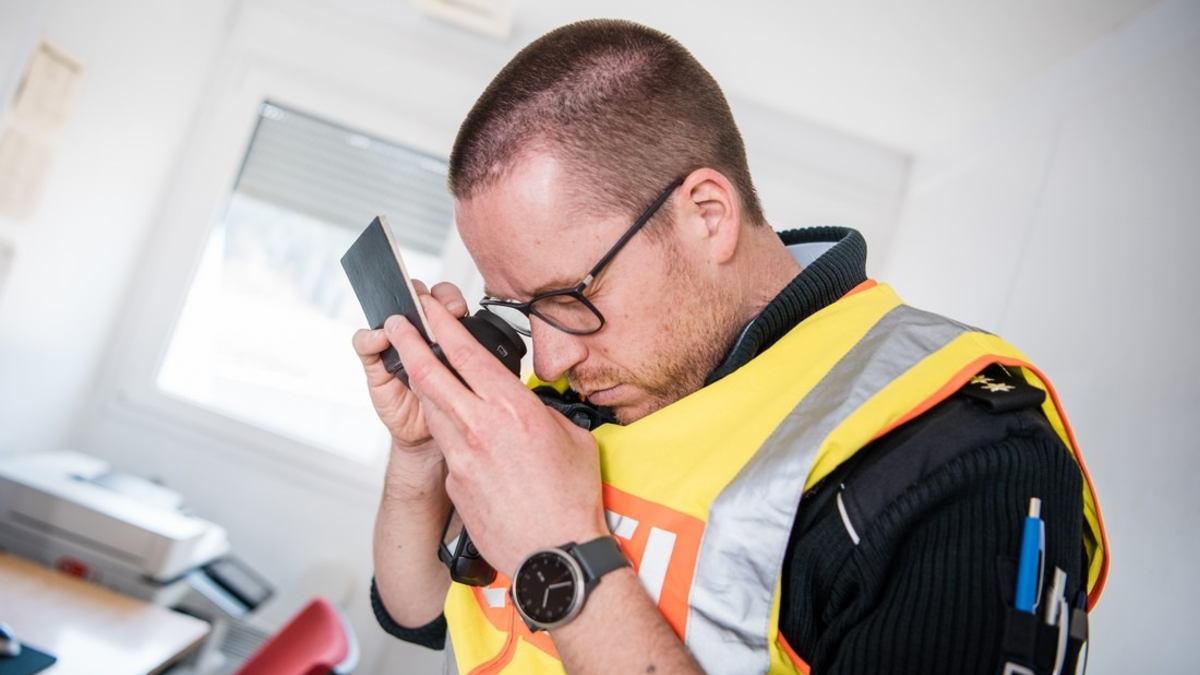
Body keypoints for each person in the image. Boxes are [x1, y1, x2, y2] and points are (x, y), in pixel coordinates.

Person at [352, 18, 1109, 674]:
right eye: (521, 310)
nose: (549, 362)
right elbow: (418, 611)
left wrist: (562, 551)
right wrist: (421, 456)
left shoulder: (959, 458)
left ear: (707, 215)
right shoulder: (586, 386)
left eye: (571, 298)